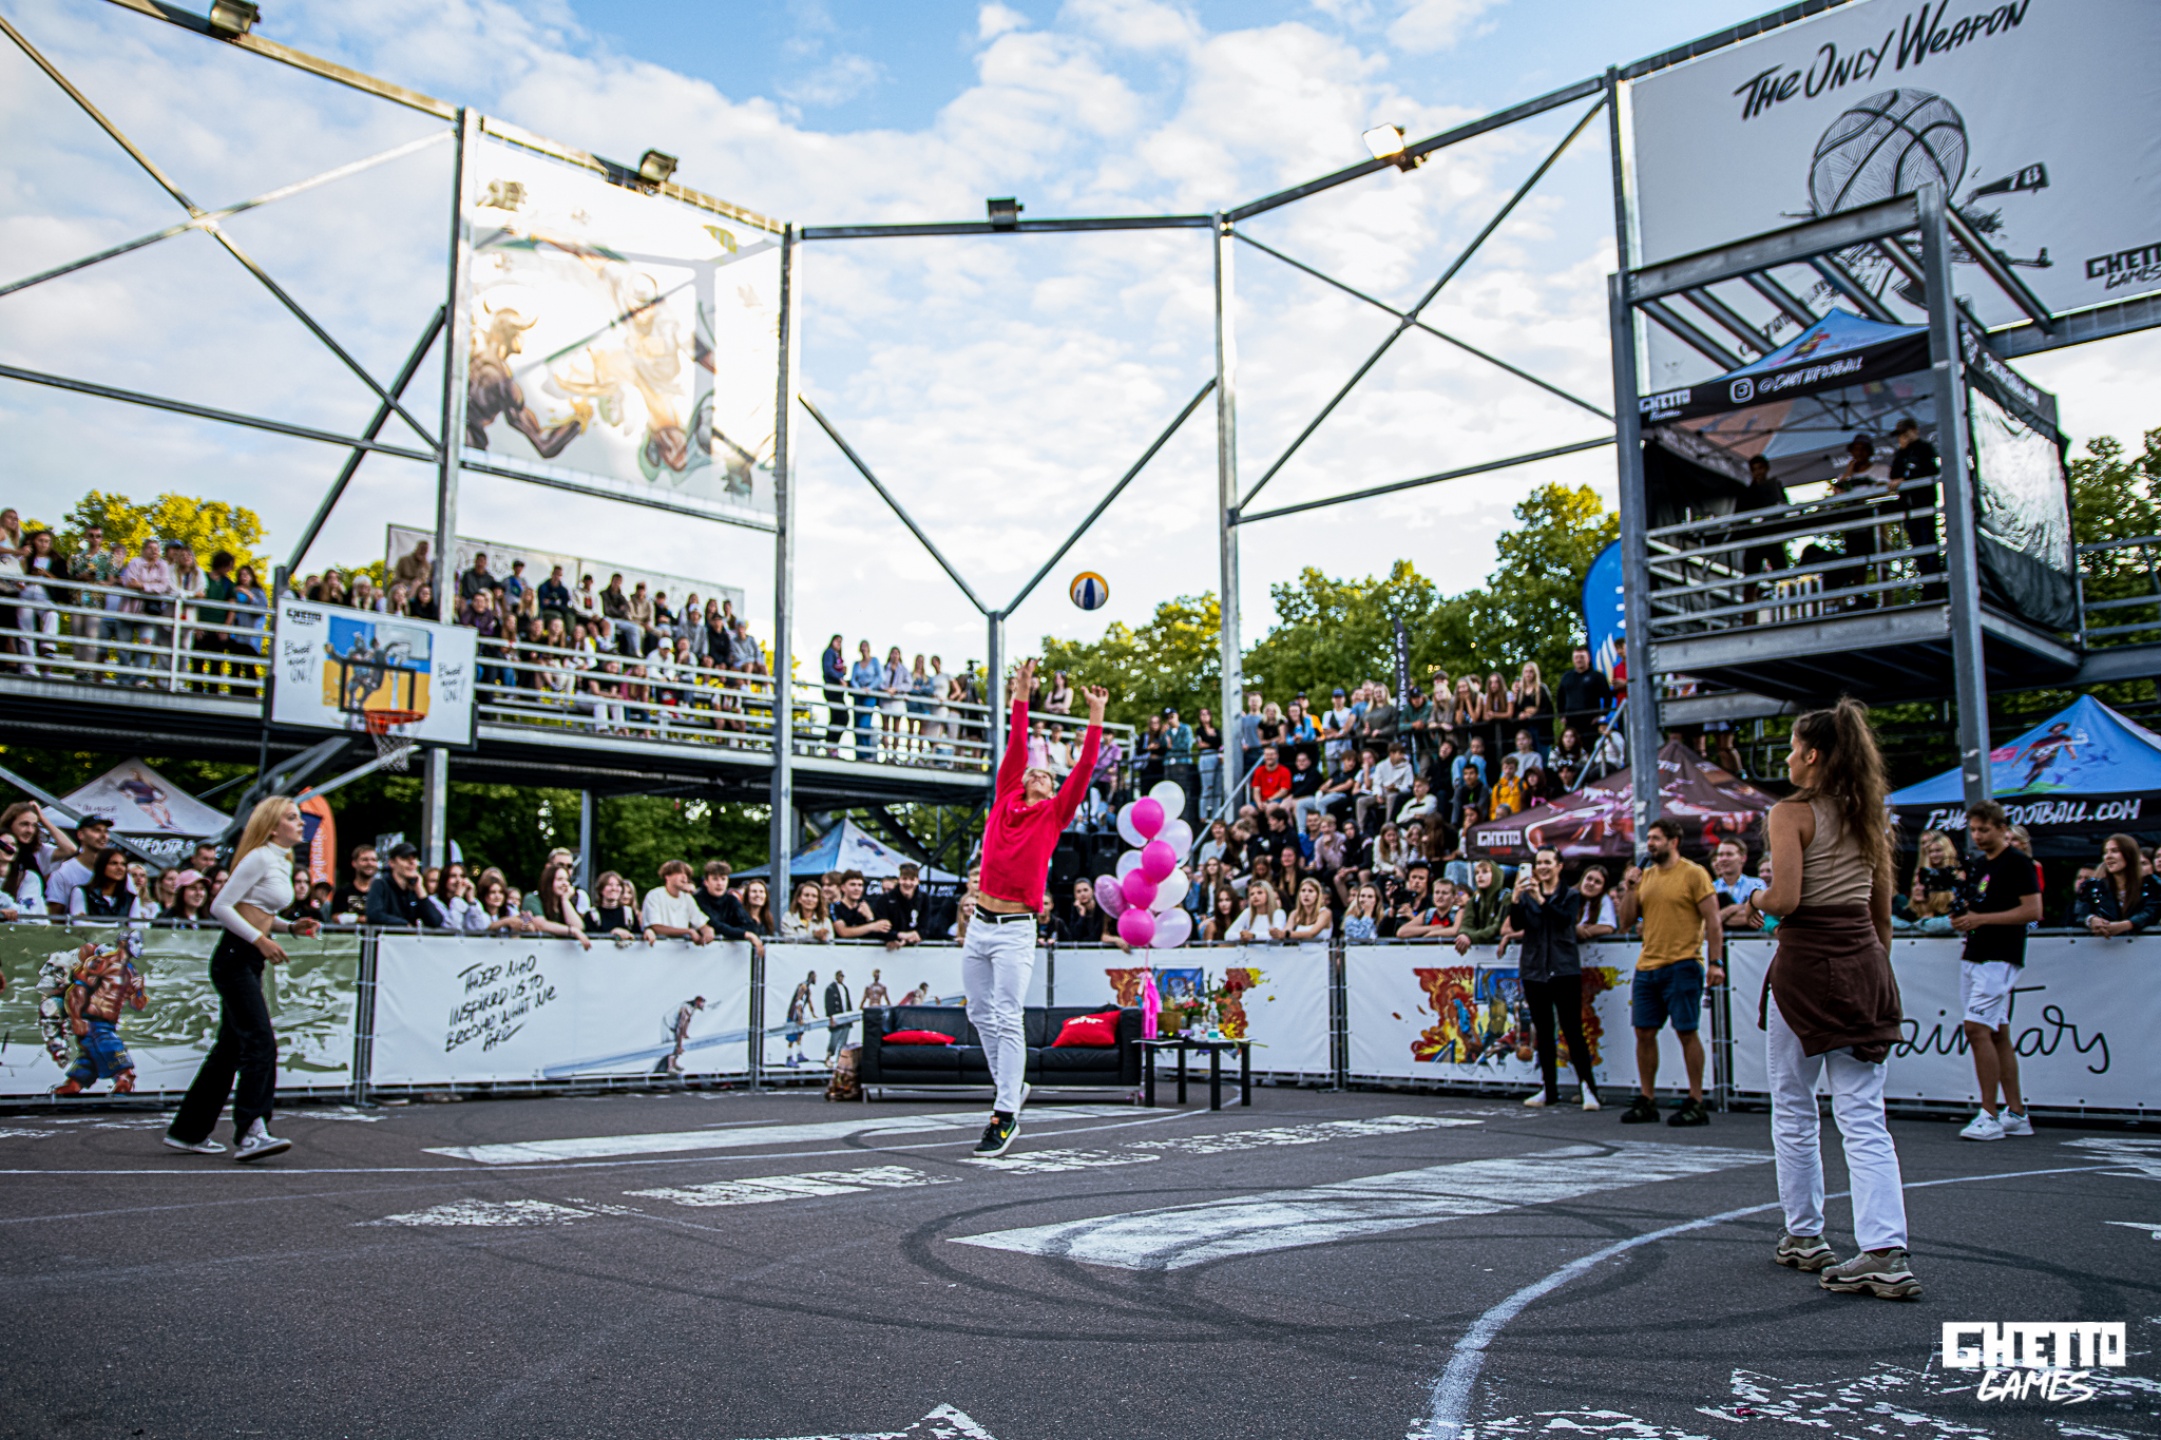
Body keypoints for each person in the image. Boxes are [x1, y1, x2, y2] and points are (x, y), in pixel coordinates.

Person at [1743, 699, 1916, 1299]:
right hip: (1863, 961)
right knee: (1864, 1114)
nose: (1789, 759)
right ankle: (1885, 1249)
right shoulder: (1870, 815)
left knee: (1794, 1105)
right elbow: (1881, 913)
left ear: (1812, 755)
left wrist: (1753, 900)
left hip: (1805, 967)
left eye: (1793, 749)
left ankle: (1804, 1233)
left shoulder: (1790, 813)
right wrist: (1872, 970)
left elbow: (1786, 899)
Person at [964, 658, 1105, 1157]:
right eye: (1035, 771)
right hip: (979, 924)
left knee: (1007, 1015)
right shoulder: (1005, 797)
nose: (1040, 773)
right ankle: (1011, 1085)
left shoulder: (1054, 813)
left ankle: (1004, 1114)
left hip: (1016, 929)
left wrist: (1095, 715)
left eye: (1048, 773)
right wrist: (1021, 691)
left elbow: (1084, 769)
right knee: (978, 1012)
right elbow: (1017, 742)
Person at [165, 796, 321, 1161]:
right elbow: (220, 906)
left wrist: (289, 927)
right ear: (272, 826)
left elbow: (257, 911)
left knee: (230, 1050)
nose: (301, 823)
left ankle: (188, 1131)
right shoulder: (259, 857)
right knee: (260, 1043)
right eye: (292, 817)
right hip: (234, 958)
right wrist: (260, 940)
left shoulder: (280, 860)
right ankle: (252, 1131)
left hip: (246, 959)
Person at [1613, 816, 1724, 1126]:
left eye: (1656, 838)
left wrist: (1715, 962)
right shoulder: (1644, 877)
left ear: (1673, 842)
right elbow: (1625, 922)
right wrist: (1629, 889)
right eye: (1648, 838)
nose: (1649, 844)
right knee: (1643, 1032)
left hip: (1683, 963)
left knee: (1686, 1031)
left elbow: (1713, 921)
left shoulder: (1693, 873)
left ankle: (1696, 1100)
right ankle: (1647, 1099)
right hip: (1648, 965)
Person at [1951, 798, 2040, 1141]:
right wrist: (1964, 918)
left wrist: (1982, 919)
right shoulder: (1979, 864)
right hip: (1975, 953)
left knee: (1976, 1029)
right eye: (1974, 830)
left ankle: (1988, 1113)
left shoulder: (2018, 862)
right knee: (1997, 1031)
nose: (1978, 836)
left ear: (2002, 829)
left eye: (1984, 830)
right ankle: (2016, 1111)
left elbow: (2032, 911)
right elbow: (1977, 905)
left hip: (2000, 956)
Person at [1508, 847, 1599, 1111]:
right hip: (1534, 969)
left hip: (1563, 969)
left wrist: (1541, 900)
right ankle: (1549, 1088)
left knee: (1572, 1030)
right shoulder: (1527, 896)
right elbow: (1517, 925)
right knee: (1544, 1032)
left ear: (1559, 866)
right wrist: (1516, 899)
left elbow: (1564, 920)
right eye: (1539, 863)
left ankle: (1588, 1088)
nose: (1543, 867)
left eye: (1548, 862)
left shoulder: (1571, 895)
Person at [2072, 833, 2161, 936]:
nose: (2108, 856)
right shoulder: (2093, 887)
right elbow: (2079, 914)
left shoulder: (2152, 885)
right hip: (2104, 944)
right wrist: (2091, 920)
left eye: (2115, 851)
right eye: (2105, 852)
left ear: (2129, 854)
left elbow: (2152, 912)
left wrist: (2126, 925)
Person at [364, 842, 440, 928]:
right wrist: (404, 924)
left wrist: (420, 890)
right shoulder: (380, 885)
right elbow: (374, 915)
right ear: (392, 863)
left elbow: (436, 921)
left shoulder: (415, 890)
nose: (411, 862)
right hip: (387, 936)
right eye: (405, 858)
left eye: (414, 858)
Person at [642, 859, 712, 944]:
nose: (684, 877)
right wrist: (688, 931)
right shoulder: (655, 895)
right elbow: (656, 927)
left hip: (682, 948)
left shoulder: (687, 898)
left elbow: (700, 922)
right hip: (658, 947)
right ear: (667, 876)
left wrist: (708, 930)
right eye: (679, 873)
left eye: (686, 874)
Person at [1554, 647, 1613, 745]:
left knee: (1591, 747)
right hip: (1571, 721)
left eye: (1582, 657)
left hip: (1591, 722)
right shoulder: (1566, 677)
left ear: (1588, 658)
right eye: (1576, 657)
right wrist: (1561, 715)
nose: (1579, 660)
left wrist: (1602, 715)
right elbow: (1560, 697)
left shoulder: (1597, 676)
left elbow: (1608, 697)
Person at [1710, 839, 1766, 929]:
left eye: (1729, 854)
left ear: (1743, 858)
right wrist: (1734, 909)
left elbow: (1756, 918)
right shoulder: (1711, 887)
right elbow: (1705, 921)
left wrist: (1720, 916)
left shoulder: (1756, 884)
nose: (1724, 859)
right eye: (1720, 855)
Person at [876, 863, 933, 948]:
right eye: (904, 879)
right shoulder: (885, 899)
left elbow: (926, 927)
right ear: (899, 880)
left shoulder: (924, 899)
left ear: (917, 881)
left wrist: (917, 935)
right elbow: (880, 928)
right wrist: (897, 936)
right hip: (890, 947)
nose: (908, 883)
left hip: (915, 949)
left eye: (912, 879)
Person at [1229, 879, 1287, 944]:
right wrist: (1242, 936)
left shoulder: (1278, 913)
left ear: (1268, 895)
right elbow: (1228, 934)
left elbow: (1277, 935)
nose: (1255, 896)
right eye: (1252, 894)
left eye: (1259, 893)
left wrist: (1253, 936)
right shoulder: (1247, 912)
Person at [785, 970, 818, 1067]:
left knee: (799, 1036)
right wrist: (799, 1016)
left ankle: (799, 1054)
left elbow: (810, 1002)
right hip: (794, 1016)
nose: (816, 979)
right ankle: (789, 1058)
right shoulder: (803, 987)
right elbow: (798, 1002)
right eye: (815, 977)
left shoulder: (808, 989)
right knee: (792, 1038)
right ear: (811, 977)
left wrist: (813, 1014)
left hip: (800, 1015)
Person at [824, 970, 855, 1060]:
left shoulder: (844, 988)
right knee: (834, 1038)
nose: (841, 978)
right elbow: (828, 1004)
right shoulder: (831, 988)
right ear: (836, 976)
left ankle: (840, 1058)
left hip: (846, 1017)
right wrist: (830, 1016)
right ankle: (829, 1057)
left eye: (842, 976)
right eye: (840, 976)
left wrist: (851, 1016)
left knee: (844, 1039)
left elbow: (848, 1003)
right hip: (836, 1018)